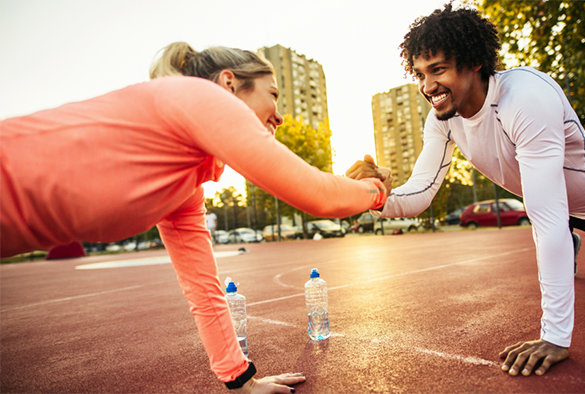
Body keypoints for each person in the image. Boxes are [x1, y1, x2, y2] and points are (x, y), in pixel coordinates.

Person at [0, 42, 391, 393]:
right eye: (273, 95)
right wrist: (376, 192)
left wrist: (241, 380)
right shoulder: (197, 95)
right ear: (228, 83)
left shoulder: (184, 181)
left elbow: (203, 289)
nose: (280, 117)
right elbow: (317, 195)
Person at [347, 3, 585, 378]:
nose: (427, 87)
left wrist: (556, 337)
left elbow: (547, 223)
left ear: (473, 61)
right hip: (553, 203)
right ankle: (570, 239)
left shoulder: (525, 97)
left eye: (438, 70)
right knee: (557, 228)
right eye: (420, 74)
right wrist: (375, 195)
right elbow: (422, 192)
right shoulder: (443, 118)